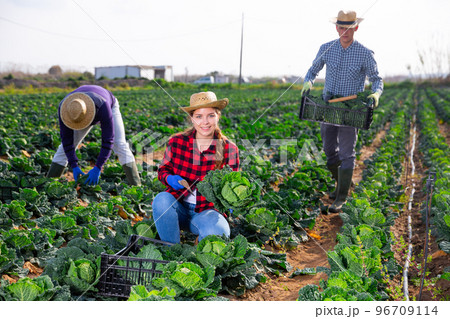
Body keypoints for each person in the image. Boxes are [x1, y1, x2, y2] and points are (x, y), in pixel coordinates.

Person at [300, 10, 383, 213]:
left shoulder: (364, 53)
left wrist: (375, 95)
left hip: (350, 110)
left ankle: (342, 197)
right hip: (328, 107)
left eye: (348, 27)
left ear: (356, 27)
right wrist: (307, 82)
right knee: (329, 151)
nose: (344, 31)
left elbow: (376, 79)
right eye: (340, 27)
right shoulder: (326, 48)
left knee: (347, 153)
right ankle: (341, 183)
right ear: (336, 27)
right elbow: (313, 70)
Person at [152, 91, 239, 244]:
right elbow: (162, 171)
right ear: (192, 118)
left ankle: (200, 248)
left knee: (219, 232)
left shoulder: (229, 149)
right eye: (199, 116)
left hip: (207, 212)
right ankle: (171, 250)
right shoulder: (177, 142)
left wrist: (231, 201)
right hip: (179, 209)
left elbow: (233, 184)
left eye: (210, 115)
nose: (205, 122)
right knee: (161, 200)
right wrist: (169, 178)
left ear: (218, 116)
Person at [46, 85, 141, 186]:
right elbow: (67, 141)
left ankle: (136, 185)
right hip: (78, 115)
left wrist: (98, 167)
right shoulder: (65, 109)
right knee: (64, 148)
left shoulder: (103, 106)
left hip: (107, 105)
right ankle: (48, 185)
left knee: (120, 144)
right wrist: (74, 165)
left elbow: (108, 140)